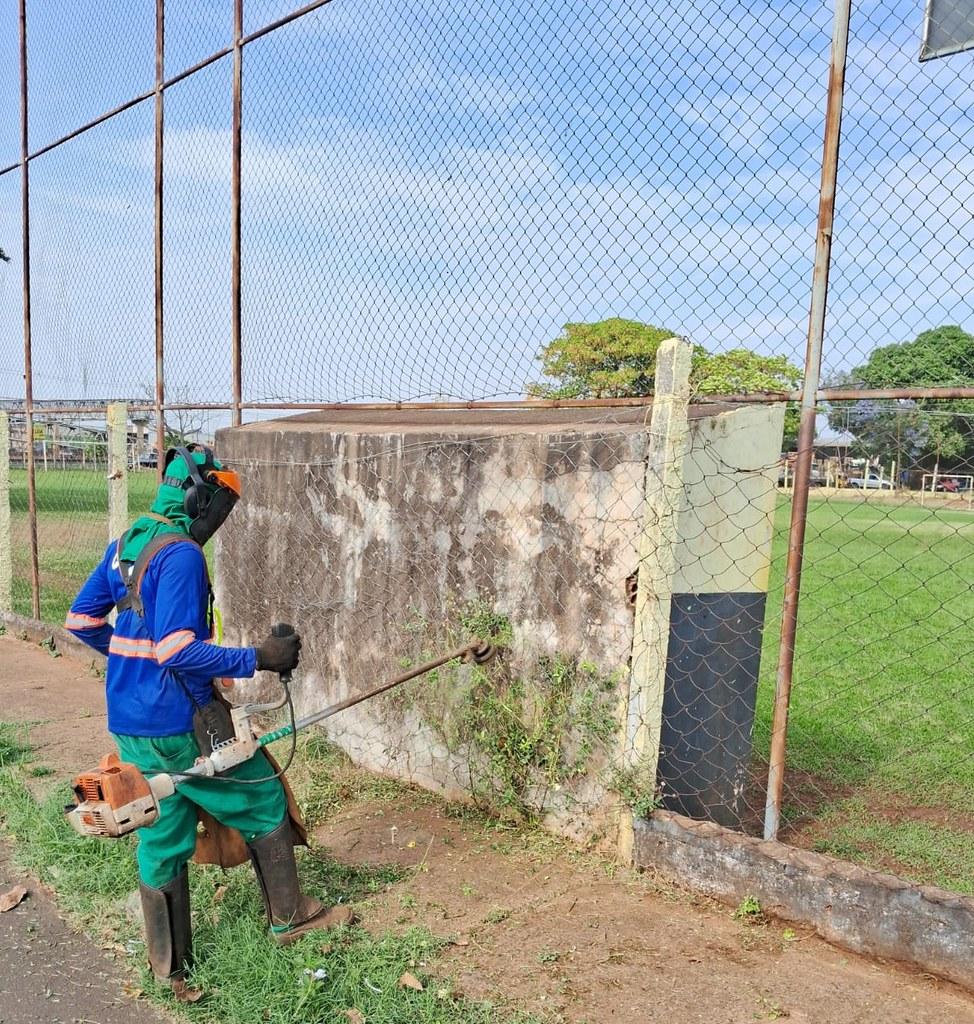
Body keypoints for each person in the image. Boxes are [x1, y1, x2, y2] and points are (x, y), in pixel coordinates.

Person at [65, 445, 352, 993]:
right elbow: (176, 649)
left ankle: (170, 969)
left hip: (129, 721)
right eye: (219, 503)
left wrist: (134, 663)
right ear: (200, 499)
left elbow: (81, 620)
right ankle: (290, 919)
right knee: (262, 796)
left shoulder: (127, 544)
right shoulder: (182, 556)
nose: (220, 518)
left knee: (161, 823)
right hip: (179, 721)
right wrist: (259, 658)